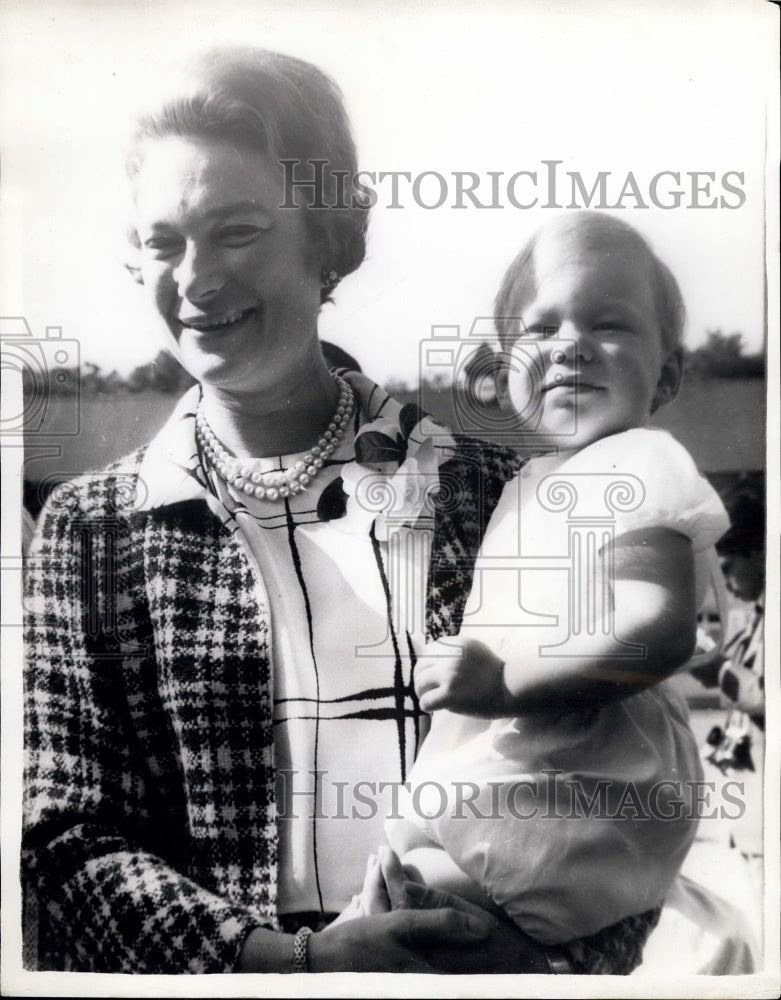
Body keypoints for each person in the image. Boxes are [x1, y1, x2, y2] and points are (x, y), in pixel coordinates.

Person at [23, 50, 662, 975]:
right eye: (163, 243)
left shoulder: (502, 495)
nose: (194, 280)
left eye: (237, 231)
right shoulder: (89, 532)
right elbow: (61, 835)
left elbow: (631, 783)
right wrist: (294, 963)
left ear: (326, 240)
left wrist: (535, 973)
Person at [340, 213, 731, 948]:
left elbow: (655, 630)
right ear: (500, 373)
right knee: (396, 899)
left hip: (587, 780)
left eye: (608, 324)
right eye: (540, 328)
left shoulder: (637, 461)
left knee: (406, 914)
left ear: (667, 375)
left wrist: (504, 682)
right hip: (521, 769)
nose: (570, 346)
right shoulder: (524, 483)